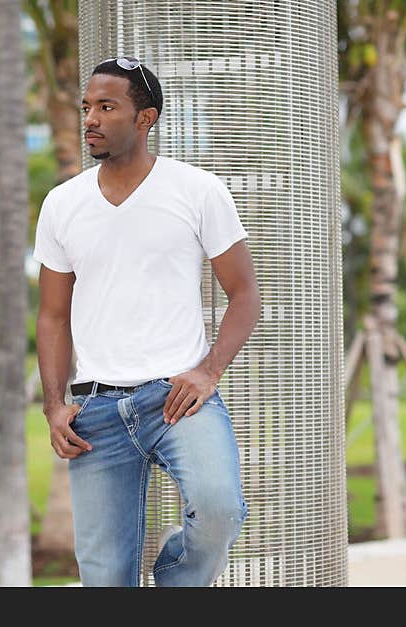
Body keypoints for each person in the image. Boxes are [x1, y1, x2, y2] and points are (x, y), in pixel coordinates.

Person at [33, 56, 261, 587]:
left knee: (221, 508)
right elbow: (51, 314)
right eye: (86, 106)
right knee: (105, 579)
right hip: (94, 411)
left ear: (145, 118)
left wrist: (207, 372)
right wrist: (53, 405)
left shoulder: (198, 191)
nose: (89, 118)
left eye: (107, 107)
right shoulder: (61, 204)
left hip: (179, 399)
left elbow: (245, 293)